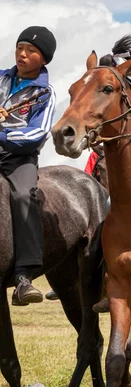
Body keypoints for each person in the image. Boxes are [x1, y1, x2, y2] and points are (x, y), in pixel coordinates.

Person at [0, 26, 57, 305]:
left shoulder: (45, 93)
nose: (22, 54)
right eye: (20, 47)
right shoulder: (0, 78)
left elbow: (36, 134)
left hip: (18, 158)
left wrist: (1, 134)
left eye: (31, 50)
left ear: (43, 59)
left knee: (24, 196)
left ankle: (24, 277)